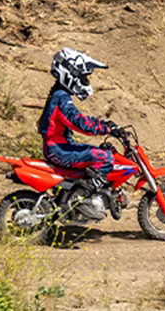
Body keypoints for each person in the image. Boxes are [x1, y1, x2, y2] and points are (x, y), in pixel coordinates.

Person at [37, 48, 119, 218]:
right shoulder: (61, 97)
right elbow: (79, 123)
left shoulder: (59, 94)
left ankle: (83, 194)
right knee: (105, 158)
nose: (85, 81)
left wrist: (104, 125)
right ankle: (79, 200)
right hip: (58, 149)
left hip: (60, 145)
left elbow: (77, 120)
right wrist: (106, 128)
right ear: (70, 73)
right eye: (83, 77)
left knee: (101, 153)